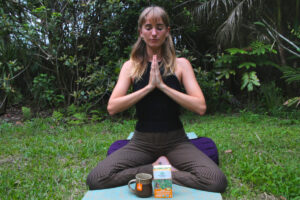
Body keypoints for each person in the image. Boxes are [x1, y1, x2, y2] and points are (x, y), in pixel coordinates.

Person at [86, 5, 227, 193]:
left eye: (159, 27)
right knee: (96, 178)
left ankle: (166, 170)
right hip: (141, 142)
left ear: (167, 32)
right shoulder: (131, 66)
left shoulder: (181, 65)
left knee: (216, 180)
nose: (154, 33)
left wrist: (162, 86)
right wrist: (148, 87)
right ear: (140, 32)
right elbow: (113, 107)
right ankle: (156, 168)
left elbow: (200, 106)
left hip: (176, 141)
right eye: (148, 27)